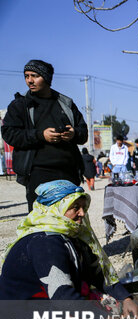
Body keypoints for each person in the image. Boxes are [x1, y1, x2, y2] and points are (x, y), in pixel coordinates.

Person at [0, 180, 138, 319]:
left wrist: (125, 298)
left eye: (83, 207)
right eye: (75, 208)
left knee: (115, 308)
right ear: (55, 209)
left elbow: (97, 273)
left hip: (50, 307)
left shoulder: (69, 234)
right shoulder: (45, 243)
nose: (82, 213)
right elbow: (63, 297)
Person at [1, 60, 88, 211]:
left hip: (68, 172)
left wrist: (73, 134)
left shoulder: (65, 103)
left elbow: (83, 133)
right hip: (38, 173)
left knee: (70, 218)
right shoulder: (20, 105)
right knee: (41, 221)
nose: (29, 80)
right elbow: (9, 134)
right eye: (26, 76)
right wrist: (40, 135)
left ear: (46, 78)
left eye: (34, 76)